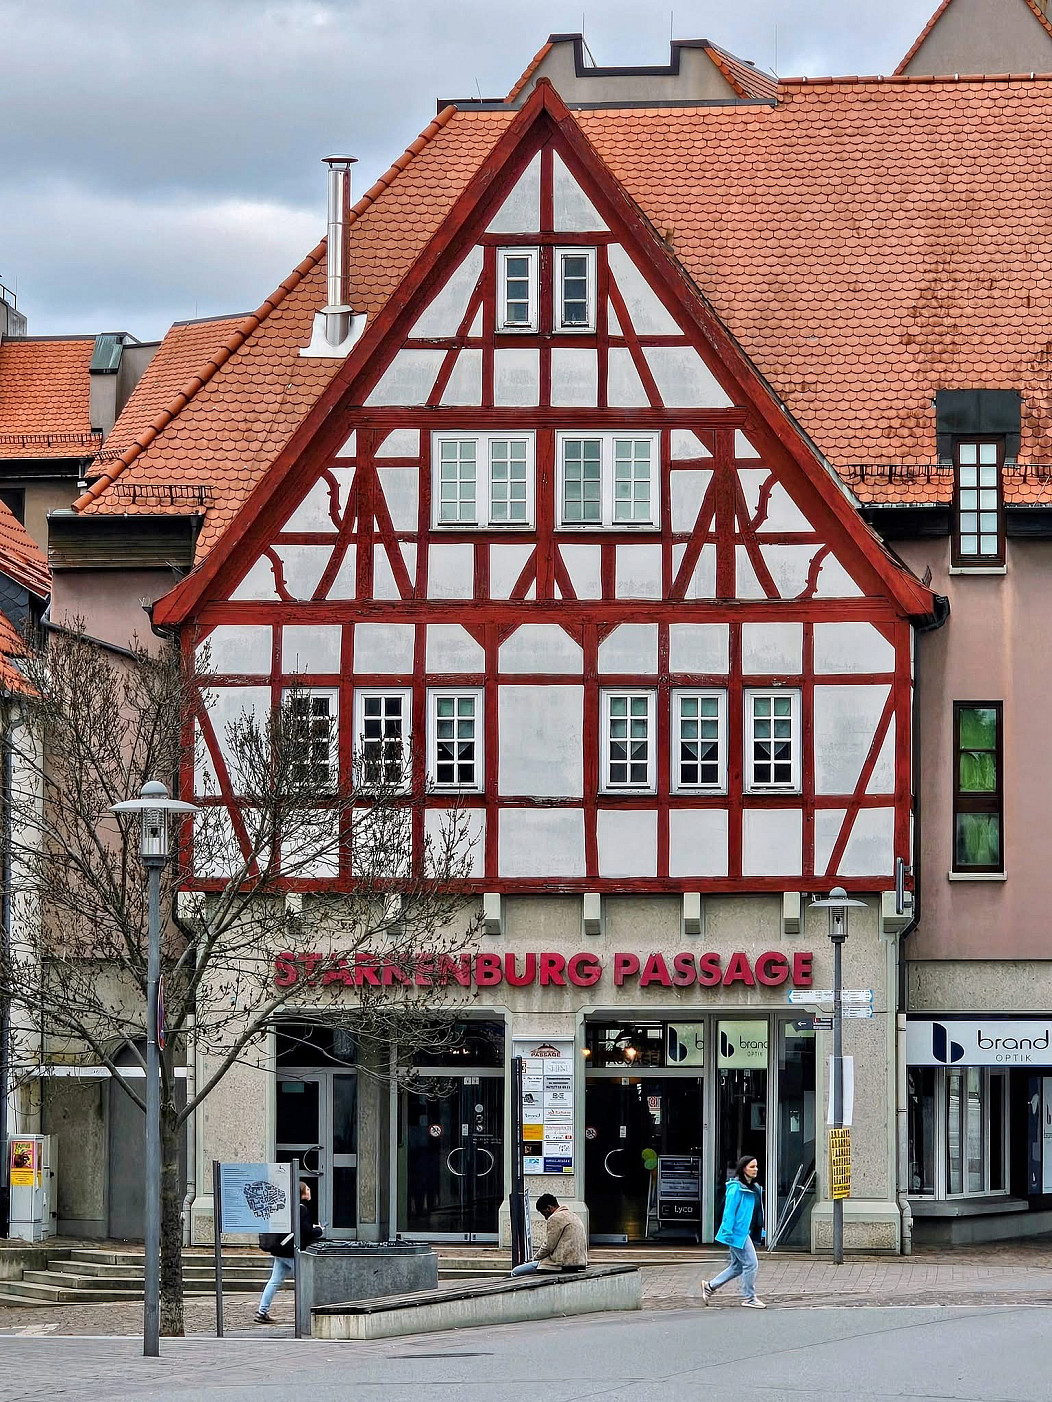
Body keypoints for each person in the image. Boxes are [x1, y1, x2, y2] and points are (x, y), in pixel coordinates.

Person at [700, 1155, 766, 1309]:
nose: (755, 1169)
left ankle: (710, 1286)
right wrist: (728, 1232)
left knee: (737, 1266)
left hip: (744, 1232)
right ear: (743, 1169)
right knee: (751, 1264)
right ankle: (750, 1298)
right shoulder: (736, 1188)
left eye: (756, 1166)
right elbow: (729, 1212)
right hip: (737, 1233)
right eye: (752, 1167)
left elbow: (757, 1213)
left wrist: (760, 1230)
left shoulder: (754, 1188)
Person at [254, 1181, 324, 1323]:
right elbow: (306, 1231)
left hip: (280, 1250)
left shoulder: (286, 1206)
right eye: (307, 1189)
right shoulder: (302, 1209)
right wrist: (319, 1230)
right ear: (302, 1192)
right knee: (304, 1281)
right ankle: (308, 1314)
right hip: (291, 1251)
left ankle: (262, 1311)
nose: (310, 1191)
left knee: (274, 1281)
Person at [510, 1194, 588, 1275]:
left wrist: (534, 1259)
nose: (545, 1218)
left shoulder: (556, 1218)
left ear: (548, 1208)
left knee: (515, 1272)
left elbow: (548, 1246)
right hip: (579, 1263)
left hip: (560, 1264)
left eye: (544, 1213)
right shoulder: (574, 1216)